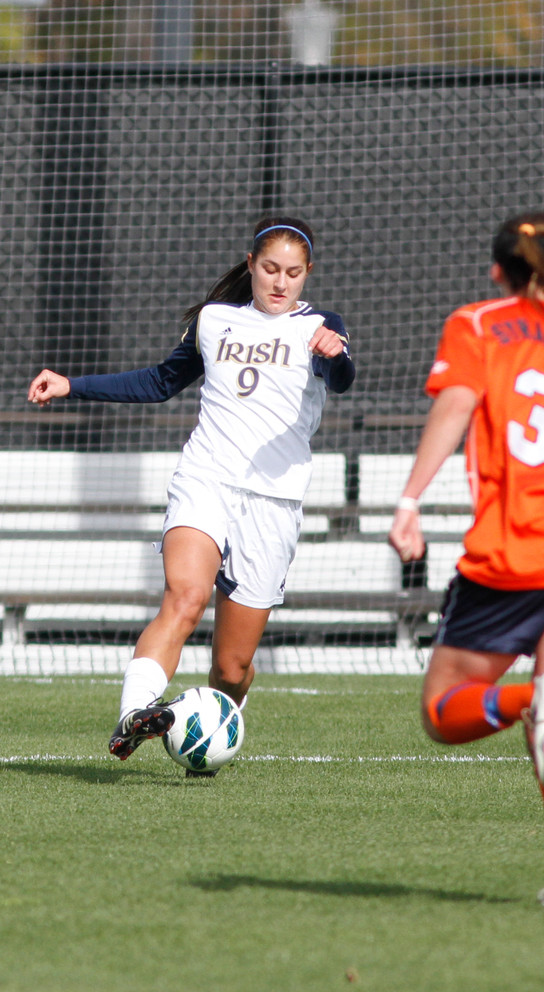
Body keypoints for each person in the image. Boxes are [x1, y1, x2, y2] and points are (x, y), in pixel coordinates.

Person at [28, 216, 355, 773]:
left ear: (308, 275)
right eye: (270, 269)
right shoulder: (214, 321)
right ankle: (135, 713)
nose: (280, 283)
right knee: (184, 597)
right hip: (205, 477)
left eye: (293, 274)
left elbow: (342, 379)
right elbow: (160, 382)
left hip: (273, 501)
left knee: (232, 667)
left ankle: (216, 727)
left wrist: (336, 352)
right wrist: (71, 385)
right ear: (251, 266)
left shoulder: (321, 326)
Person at [388, 210, 544, 906]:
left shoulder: (476, 324)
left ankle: (529, 696)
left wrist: (408, 501)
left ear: (498, 268)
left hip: (518, 550)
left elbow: (455, 405)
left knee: (442, 711)